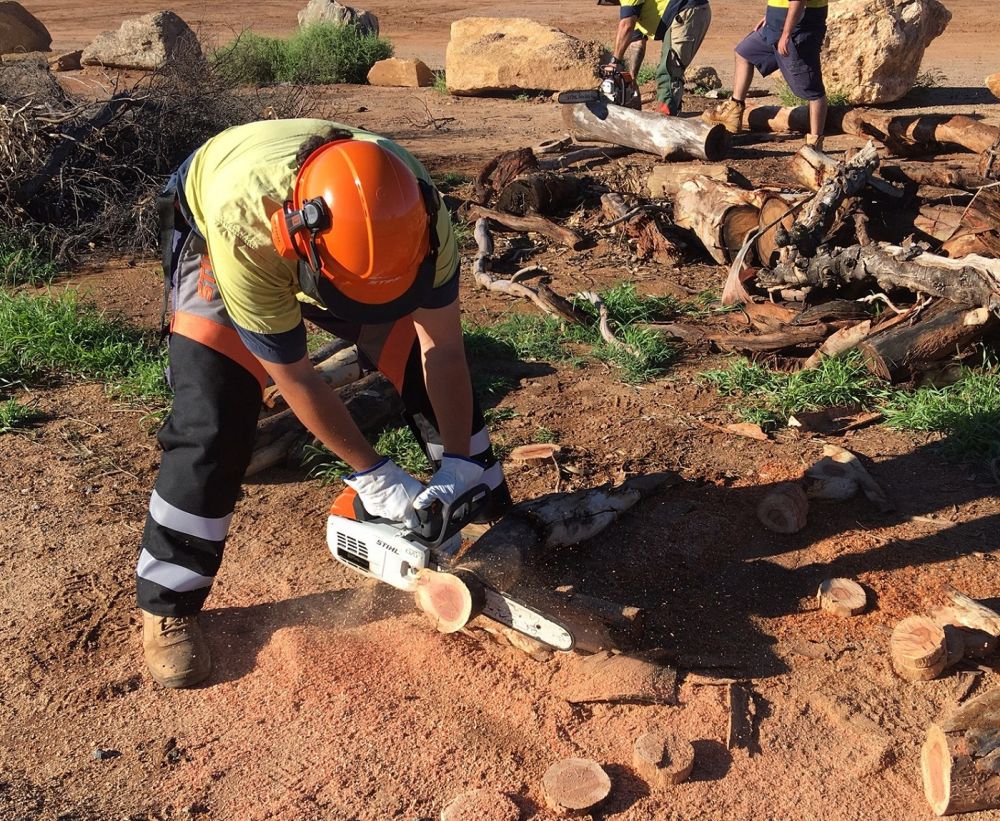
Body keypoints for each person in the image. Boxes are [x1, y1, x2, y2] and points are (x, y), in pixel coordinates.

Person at [138, 119, 512, 688]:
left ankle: (479, 495)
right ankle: (169, 602)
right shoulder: (248, 234)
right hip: (221, 223)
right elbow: (295, 376)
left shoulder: (423, 218)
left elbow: (446, 349)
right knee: (214, 415)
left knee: (410, 351)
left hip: (356, 244)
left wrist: (460, 465)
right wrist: (374, 473)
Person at [703, 0, 828, 148]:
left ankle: (815, 142)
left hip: (799, 26)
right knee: (744, 52)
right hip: (778, 23)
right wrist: (770, 16)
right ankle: (734, 112)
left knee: (812, 89)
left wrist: (786, 33)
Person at [599, 0, 712, 116]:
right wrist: (632, 78)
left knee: (668, 71)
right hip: (683, 15)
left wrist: (614, 61)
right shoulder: (634, 7)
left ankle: (665, 121)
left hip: (688, 11)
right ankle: (673, 111)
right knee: (670, 71)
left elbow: (627, 26)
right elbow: (637, 42)